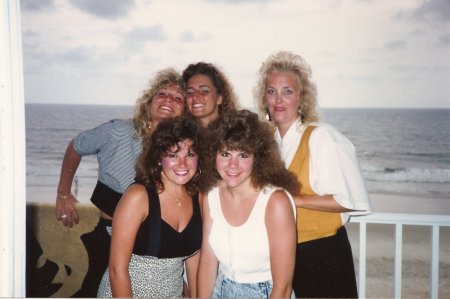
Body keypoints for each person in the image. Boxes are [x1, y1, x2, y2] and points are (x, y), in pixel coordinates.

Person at [55, 68, 186, 297]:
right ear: (149, 101)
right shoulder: (119, 132)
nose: (168, 100)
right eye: (162, 94)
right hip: (107, 239)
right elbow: (76, 146)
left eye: (178, 98)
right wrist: (63, 194)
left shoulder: (181, 151)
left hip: (152, 249)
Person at [254, 50, 372, 298]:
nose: (278, 99)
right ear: (264, 97)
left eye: (287, 91)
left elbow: (346, 200)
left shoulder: (321, 137)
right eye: (271, 91)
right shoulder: (268, 143)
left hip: (323, 253)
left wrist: (288, 200)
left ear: (301, 97)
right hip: (283, 253)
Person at [197, 109, 299, 299]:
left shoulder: (275, 203)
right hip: (221, 290)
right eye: (225, 154)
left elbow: (282, 288)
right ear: (213, 155)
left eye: (243, 155)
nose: (233, 165)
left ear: (257, 158)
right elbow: (208, 261)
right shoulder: (210, 195)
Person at [96, 117, 203, 298]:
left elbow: (194, 259)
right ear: (159, 158)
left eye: (190, 154)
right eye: (173, 155)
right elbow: (117, 269)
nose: (183, 164)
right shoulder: (138, 197)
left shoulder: (198, 197)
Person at [182, 62, 239, 128]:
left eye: (204, 91)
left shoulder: (237, 133)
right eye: (190, 92)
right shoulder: (179, 134)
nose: (195, 97)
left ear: (219, 98)